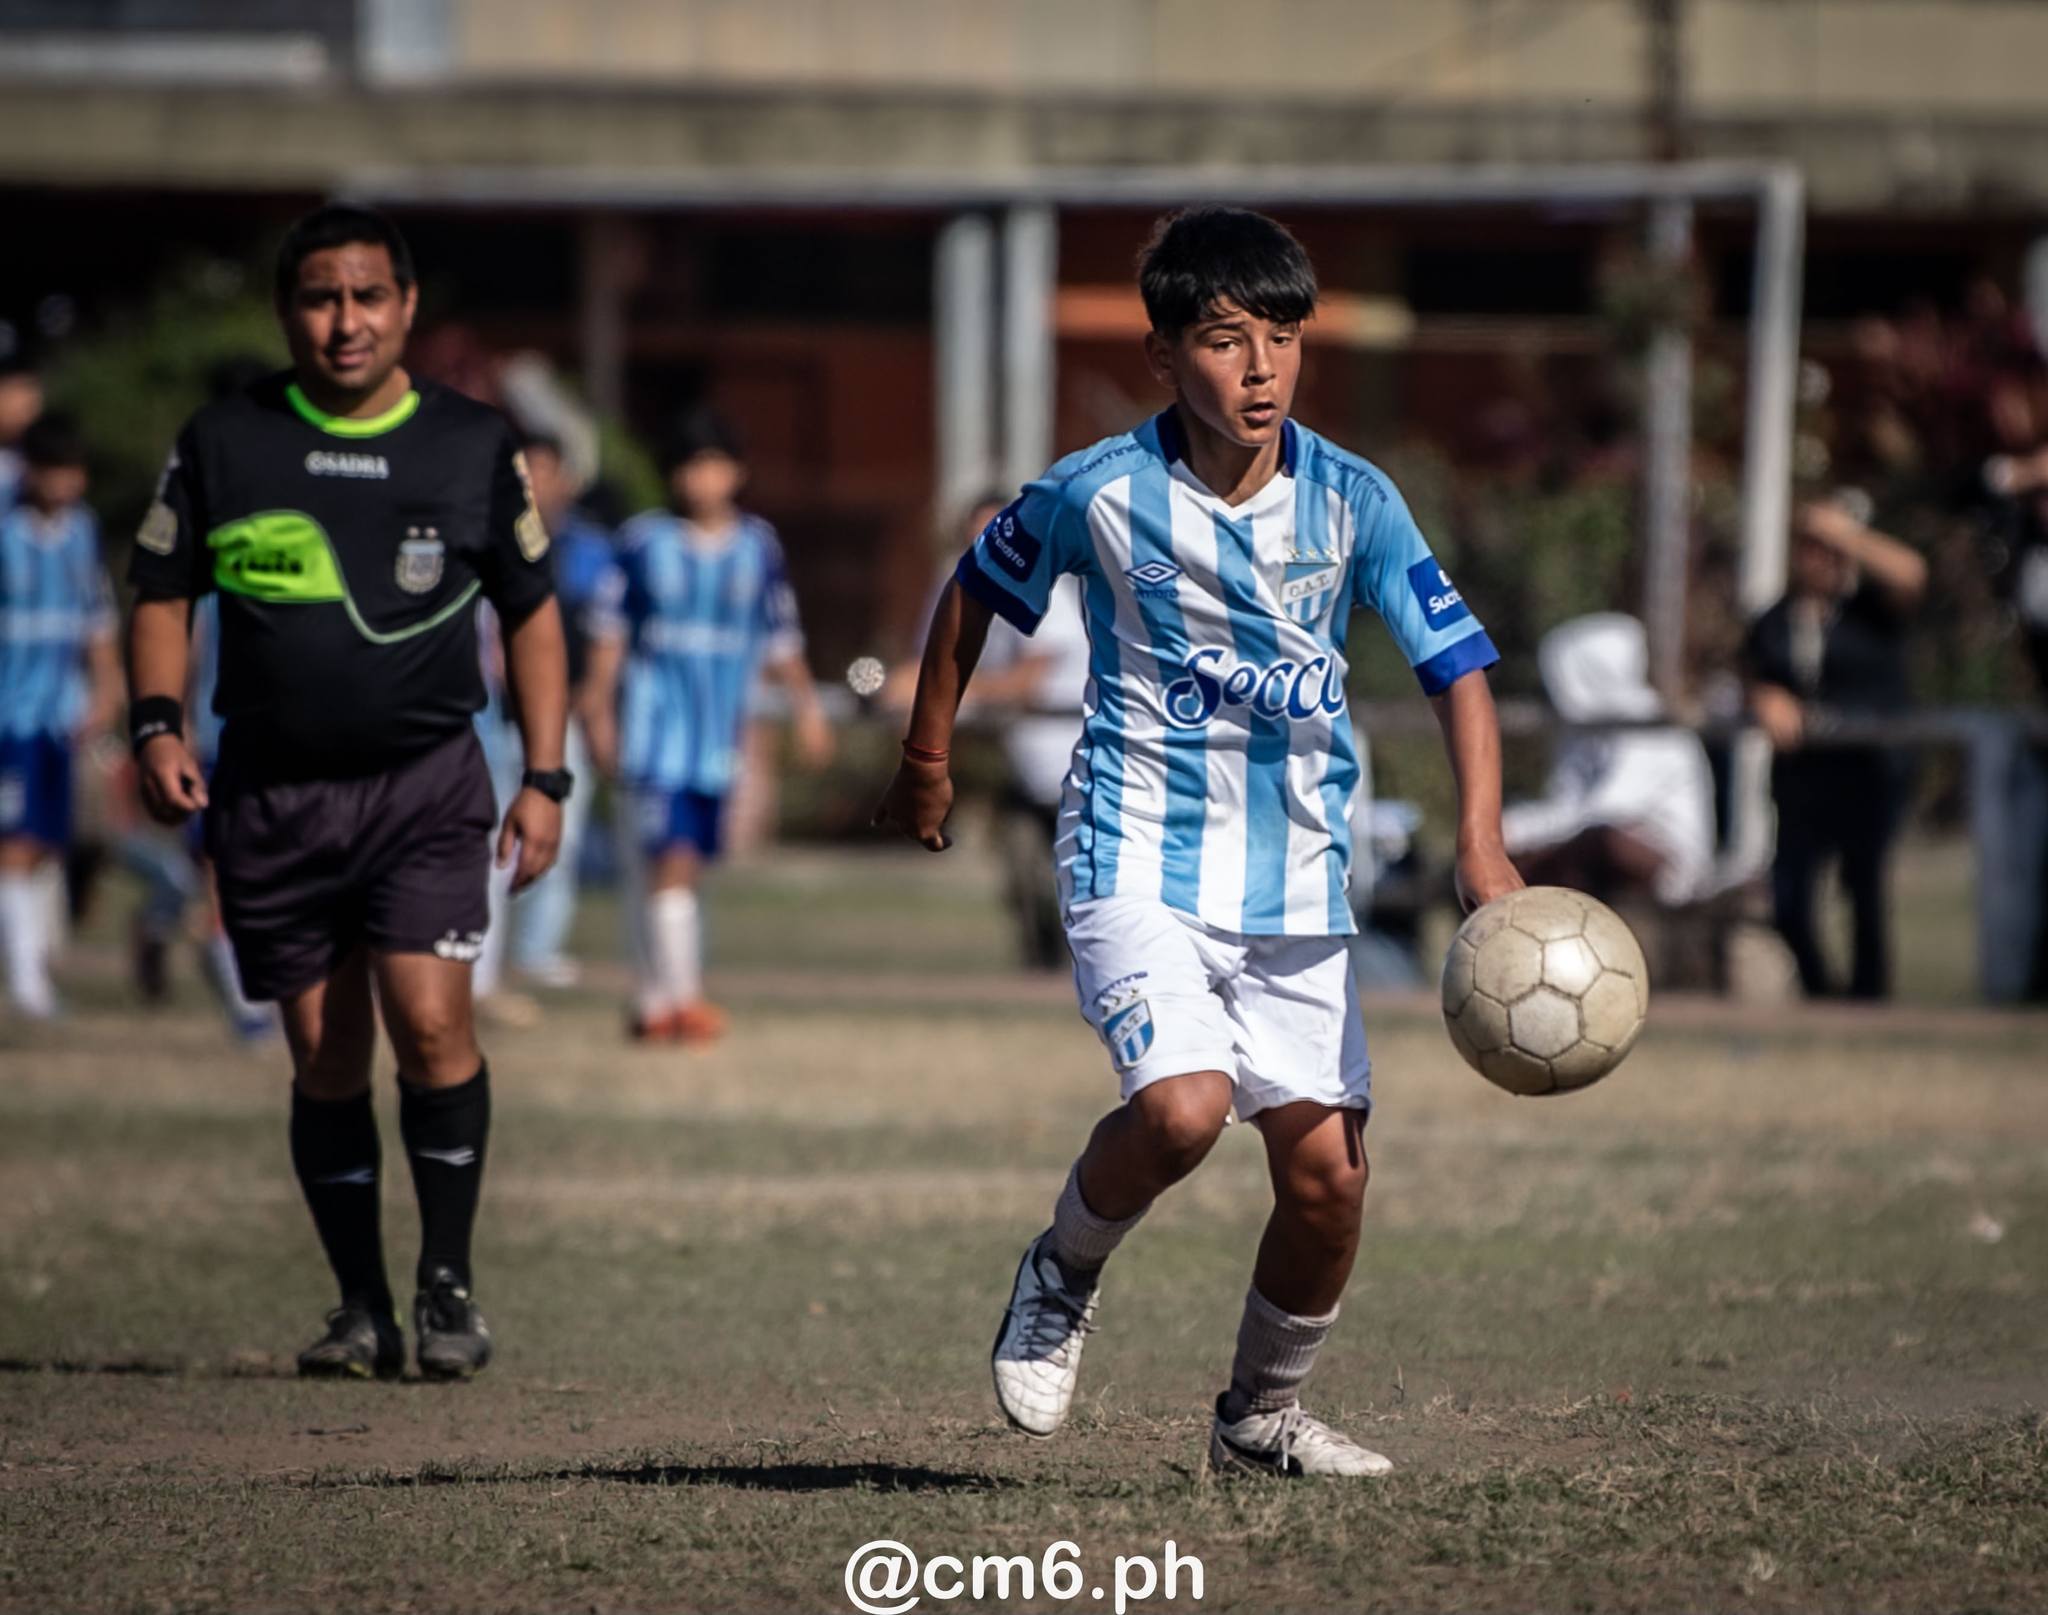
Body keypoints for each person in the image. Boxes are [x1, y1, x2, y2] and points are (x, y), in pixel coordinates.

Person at [875, 207, 1520, 1478]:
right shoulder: (1097, 491)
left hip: (1297, 878)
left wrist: (1480, 842)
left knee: (1328, 1179)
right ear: (1165, 354)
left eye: (1283, 336)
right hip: (1136, 853)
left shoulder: (1353, 499)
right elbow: (972, 594)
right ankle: (1062, 1270)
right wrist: (925, 759)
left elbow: (1456, 668)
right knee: (1180, 1110)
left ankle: (1257, 1419)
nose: (1262, 368)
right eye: (1227, 341)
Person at [126, 204, 570, 1381]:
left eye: (368, 295)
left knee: (430, 1025)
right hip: (273, 795)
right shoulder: (227, 440)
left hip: (426, 787)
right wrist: (157, 723)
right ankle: (360, 1305)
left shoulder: (471, 444)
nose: (345, 320)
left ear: (406, 306)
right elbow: (160, 590)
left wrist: (544, 775)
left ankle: (447, 1285)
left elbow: (532, 612)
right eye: (321, 297)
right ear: (288, 311)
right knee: (325, 1054)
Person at [582, 408, 832, 1043]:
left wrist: (807, 709)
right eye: (692, 466)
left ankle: (653, 1002)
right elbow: (609, 635)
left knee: (681, 867)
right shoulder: (643, 543)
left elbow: (781, 636)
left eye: (715, 465)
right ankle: (682, 1000)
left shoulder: (758, 547)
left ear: (737, 472)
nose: (703, 479)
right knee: (671, 859)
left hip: (718, 736)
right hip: (655, 731)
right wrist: (598, 711)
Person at [1745, 498, 1926, 1000]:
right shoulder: (1774, 621)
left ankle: (1869, 998)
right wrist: (1763, 696)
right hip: (1803, 777)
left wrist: (1844, 532)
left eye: (1829, 549)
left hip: (1868, 773)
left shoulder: (1871, 612)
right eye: (1811, 546)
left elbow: (1912, 573)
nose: (1820, 558)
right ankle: (1821, 996)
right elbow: (1755, 674)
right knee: (1790, 897)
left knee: (1864, 890)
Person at [0, 413, 121, 1018]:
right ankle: (27, 983)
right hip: (9, 713)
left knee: (47, 842)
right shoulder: (6, 529)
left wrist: (107, 689)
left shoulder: (83, 530)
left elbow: (96, 617)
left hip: (59, 714)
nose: (65, 483)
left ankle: (34, 968)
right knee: (15, 842)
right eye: (54, 471)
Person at [1503, 613, 1716, 908]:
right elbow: (1566, 803)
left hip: (1665, 864)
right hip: (1589, 844)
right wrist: (1508, 828)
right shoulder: (1582, 731)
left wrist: (1526, 832)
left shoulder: (1650, 729)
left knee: (1601, 842)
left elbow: (1604, 812)